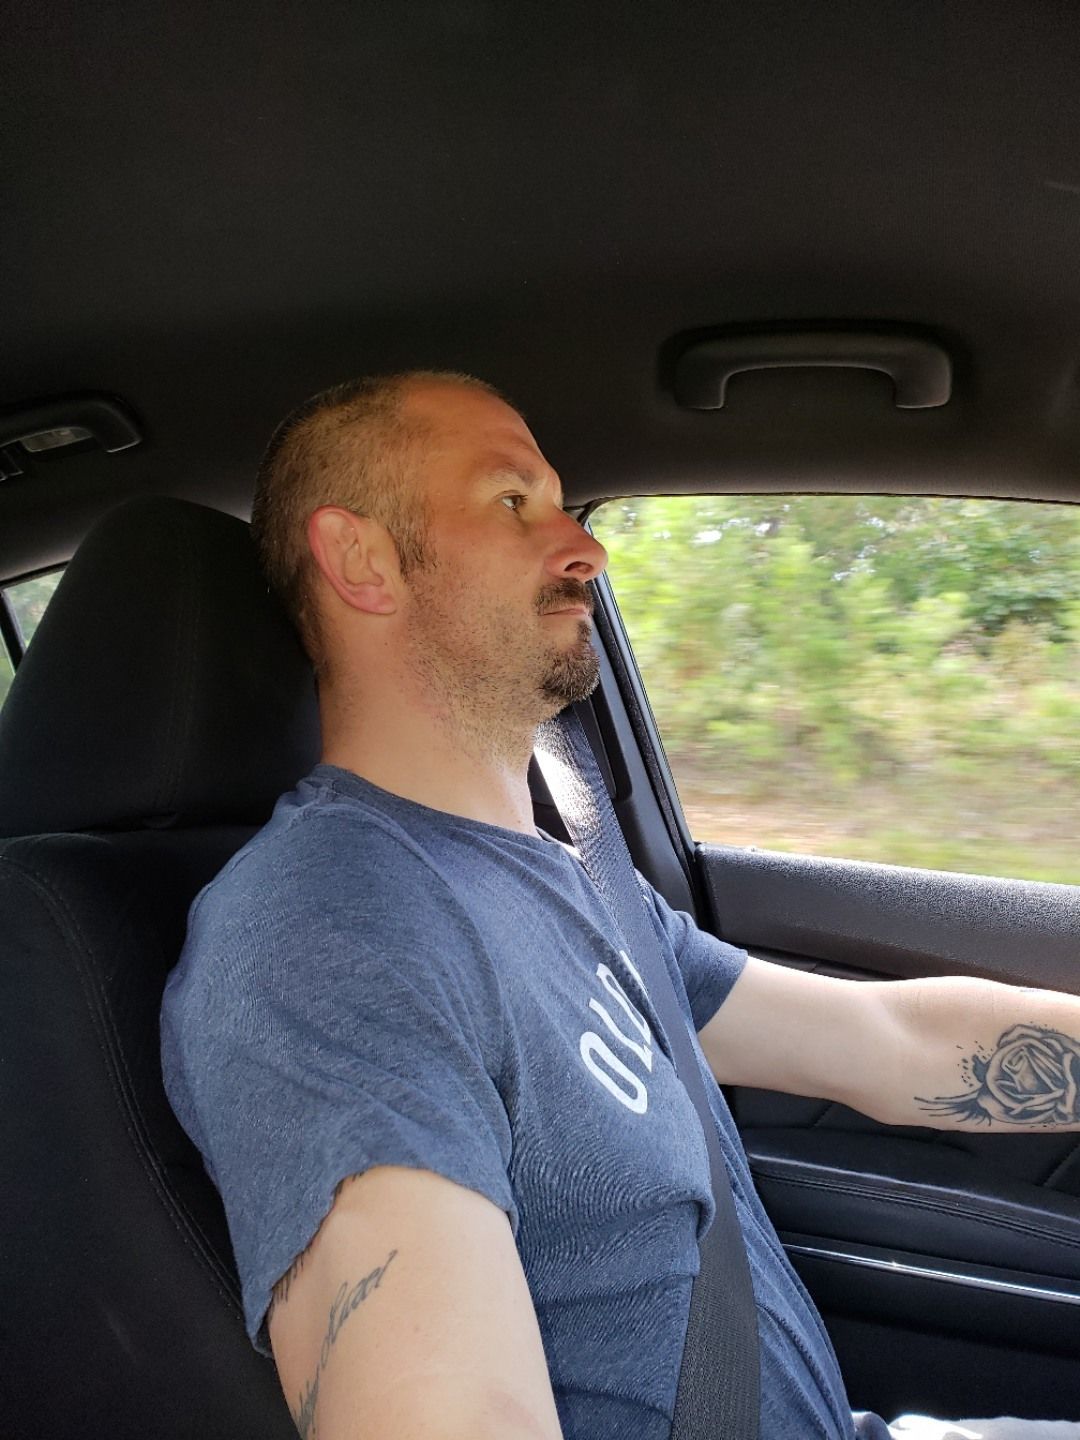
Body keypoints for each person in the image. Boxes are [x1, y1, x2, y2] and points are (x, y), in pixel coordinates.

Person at [161, 371, 1080, 1440]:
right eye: (514, 502)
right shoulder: (322, 933)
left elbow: (884, 1041)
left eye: (562, 504)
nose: (584, 547)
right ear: (362, 561)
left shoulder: (566, 874)